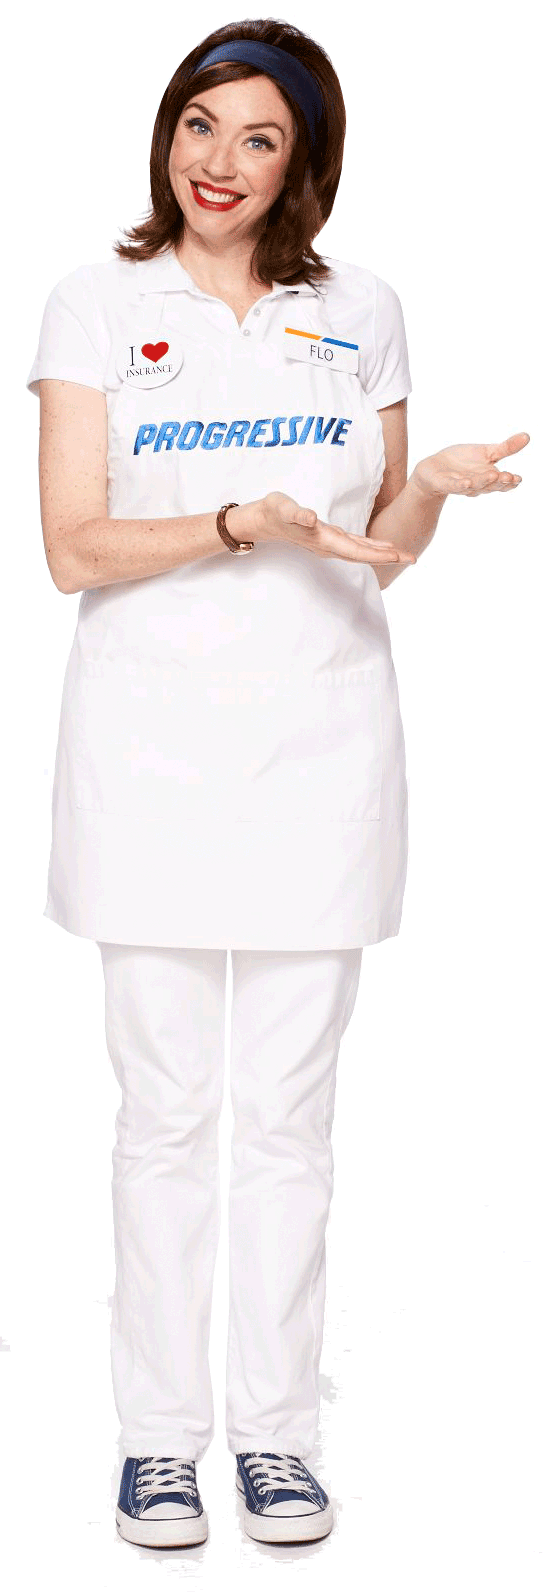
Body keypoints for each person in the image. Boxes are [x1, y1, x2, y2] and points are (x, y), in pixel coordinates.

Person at [26, 19, 529, 1553]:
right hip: (149, 754)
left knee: (291, 1122)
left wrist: (423, 491)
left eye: (259, 137)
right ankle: (158, 1445)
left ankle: (278, 1440)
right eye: (200, 123)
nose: (219, 161)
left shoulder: (358, 309)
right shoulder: (97, 303)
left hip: (320, 748)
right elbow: (71, 549)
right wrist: (234, 522)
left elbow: (377, 550)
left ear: (303, 160)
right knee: (166, 1116)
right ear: (165, 133)